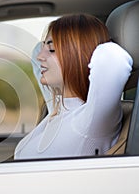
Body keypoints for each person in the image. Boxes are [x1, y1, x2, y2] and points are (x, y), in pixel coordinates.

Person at [14, 14, 133, 160]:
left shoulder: (90, 121)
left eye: (51, 49)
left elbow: (113, 57)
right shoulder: (57, 109)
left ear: (75, 54)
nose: (40, 56)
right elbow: (36, 53)